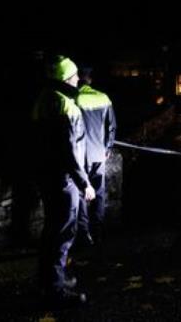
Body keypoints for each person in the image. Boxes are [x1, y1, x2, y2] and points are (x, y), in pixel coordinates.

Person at [32, 55, 95, 306]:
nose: (78, 79)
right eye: (74, 75)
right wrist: (84, 183)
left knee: (51, 231)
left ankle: (48, 279)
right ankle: (55, 290)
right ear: (65, 78)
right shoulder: (65, 105)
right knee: (63, 233)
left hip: (46, 176)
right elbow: (69, 150)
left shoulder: (43, 99)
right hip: (64, 180)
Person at [75, 68, 117, 246]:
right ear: (90, 80)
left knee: (80, 193)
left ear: (79, 81)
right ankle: (98, 231)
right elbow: (111, 126)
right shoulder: (104, 97)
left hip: (80, 154)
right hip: (99, 153)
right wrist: (108, 147)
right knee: (99, 193)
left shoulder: (74, 99)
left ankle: (84, 234)